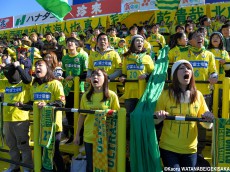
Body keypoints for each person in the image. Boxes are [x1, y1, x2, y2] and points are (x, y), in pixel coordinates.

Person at [154, 60, 214, 171]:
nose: (186, 70)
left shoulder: (198, 95)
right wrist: (158, 117)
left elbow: (207, 125)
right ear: (174, 74)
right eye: (181, 68)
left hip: (190, 149)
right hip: (168, 148)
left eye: (188, 68)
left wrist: (208, 119)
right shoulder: (165, 94)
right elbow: (154, 121)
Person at [18, 60, 65, 171]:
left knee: (54, 152)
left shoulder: (55, 83)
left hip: (53, 125)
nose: (37, 67)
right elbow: (32, 103)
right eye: (36, 65)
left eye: (40, 65)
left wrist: (47, 105)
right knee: (42, 151)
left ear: (47, 68)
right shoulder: (34, 85)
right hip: (38, 125)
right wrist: (22, 105)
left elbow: (61, 102)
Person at [74, 69, 120, 172]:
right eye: (93, 75)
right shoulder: (85, 96)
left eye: (98, 75)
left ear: (105, 79)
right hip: (89, 136)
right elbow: (82, 116)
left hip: (106, 136)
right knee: (91, 165)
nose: (95, 77)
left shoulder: (111, 95)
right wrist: (77, 135)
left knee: (105, 165)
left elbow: (117, 116)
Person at [0, 61, 33, 172]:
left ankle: (27, 167)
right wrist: (2, 69)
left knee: (23, 145)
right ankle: (14, 166)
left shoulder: (24, 84)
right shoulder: (5, 83)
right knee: (11, 145)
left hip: (21, 120)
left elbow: (28, 79)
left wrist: (18, 66)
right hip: (7, 119)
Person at [61, 37, 86, 144]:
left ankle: (80, 136)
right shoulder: (65, 58)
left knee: (80, 114)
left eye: (72, 42)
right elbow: (63, 73)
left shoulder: (82, 56)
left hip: (79, 90)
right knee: (69, 115)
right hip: (68, 91)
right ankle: (71, 136)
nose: (70, 44)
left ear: (76, 45)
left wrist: (75, 78)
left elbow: (85, 74)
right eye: (68, 42)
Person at [207, 32, 230, 116]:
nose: (215, 39)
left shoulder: (224, 52)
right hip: (209, 81)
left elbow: (228, 67)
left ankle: (219, 118)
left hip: (220, 81)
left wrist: (225, 62)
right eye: (213, 37)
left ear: (221, 40)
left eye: (217, 37)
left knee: (220, 101)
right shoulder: (207, 51)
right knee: (209, 101)